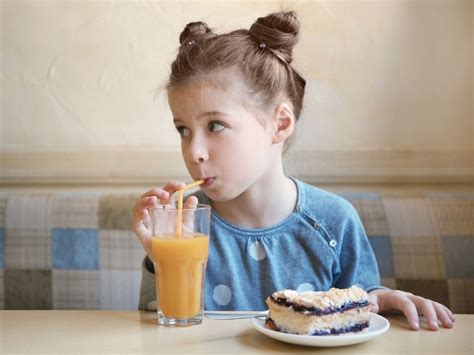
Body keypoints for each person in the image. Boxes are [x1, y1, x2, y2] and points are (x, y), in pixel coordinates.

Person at [132, 11, 455, 331]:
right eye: (183, 129)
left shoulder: (334, 220)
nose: (194, 151)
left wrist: (384, 299)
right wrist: (163, 261)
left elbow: (362, 308)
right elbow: (159, 331)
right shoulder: (185, 226)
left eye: (215, 125)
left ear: (280, 123)